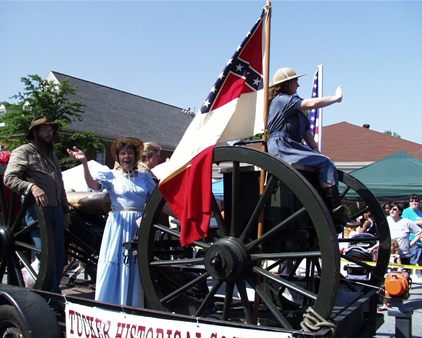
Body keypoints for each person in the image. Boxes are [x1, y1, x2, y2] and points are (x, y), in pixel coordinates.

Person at [67, 136, 156, 307]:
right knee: (114, 260)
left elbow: (155, 201)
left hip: (138, 226)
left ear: (135, 156)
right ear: (118, 157)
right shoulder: (111, 176)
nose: (126, 157)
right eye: (122, 153)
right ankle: (109, 303)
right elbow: (93, 184)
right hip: (118, 224)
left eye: (130, 153)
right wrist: (84, 162)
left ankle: (131, 303)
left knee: (134, 264)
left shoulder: (144, 178)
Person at [267, 67, 359, 231]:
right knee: (324, 162)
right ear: (287, 83)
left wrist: (316, 150)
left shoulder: (293, 105)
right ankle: (336, 210)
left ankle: (325, 210)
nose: (298, 84)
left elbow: (306, 132)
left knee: (323, 161)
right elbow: (311, 103)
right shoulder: (281, 99)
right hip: (282, 146)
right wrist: (336, 98)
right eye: (296, 81)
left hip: (292, 145)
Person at [4, 116, 69, 293]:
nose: (50, 133)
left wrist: (65, 210)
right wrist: (31, 187)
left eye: (51, 130)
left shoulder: (52, 155)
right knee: (46, 256)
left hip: (55, 209)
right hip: (37, 211)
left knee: (59, 257)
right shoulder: (23, 152)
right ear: (35, 132)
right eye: (46, 130)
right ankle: (47, 296)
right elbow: (9, 178)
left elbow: (59, 184)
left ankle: (53, 295)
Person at [401, 194, 422, 278]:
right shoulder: (406, 211)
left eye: (416, 201)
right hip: (412, 240)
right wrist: (417, 223)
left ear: (419, 202)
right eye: (412, 201)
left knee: (420, 260)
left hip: (421, 241)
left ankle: (419, 275)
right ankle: (411, 276)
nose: (414, 202)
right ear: (409, 202)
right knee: (413, 260)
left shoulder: (420, 211)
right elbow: (405, 223)